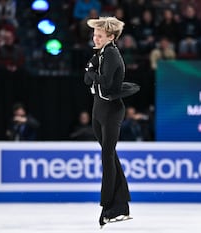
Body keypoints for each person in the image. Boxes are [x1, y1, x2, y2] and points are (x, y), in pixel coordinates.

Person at [84, 16, 139, 228]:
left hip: (111, 112)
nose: (95, 38)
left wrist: (92, 73)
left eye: (99, 35)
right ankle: (119, 206)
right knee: (110, 156)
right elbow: (87, 78)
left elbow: (104, 84)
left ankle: (107, 207)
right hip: (98, 110)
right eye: (94, 35)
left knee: (107, 156)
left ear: (111, 36)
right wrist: (92, 74)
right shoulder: (101, 54)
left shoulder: (113, 55)